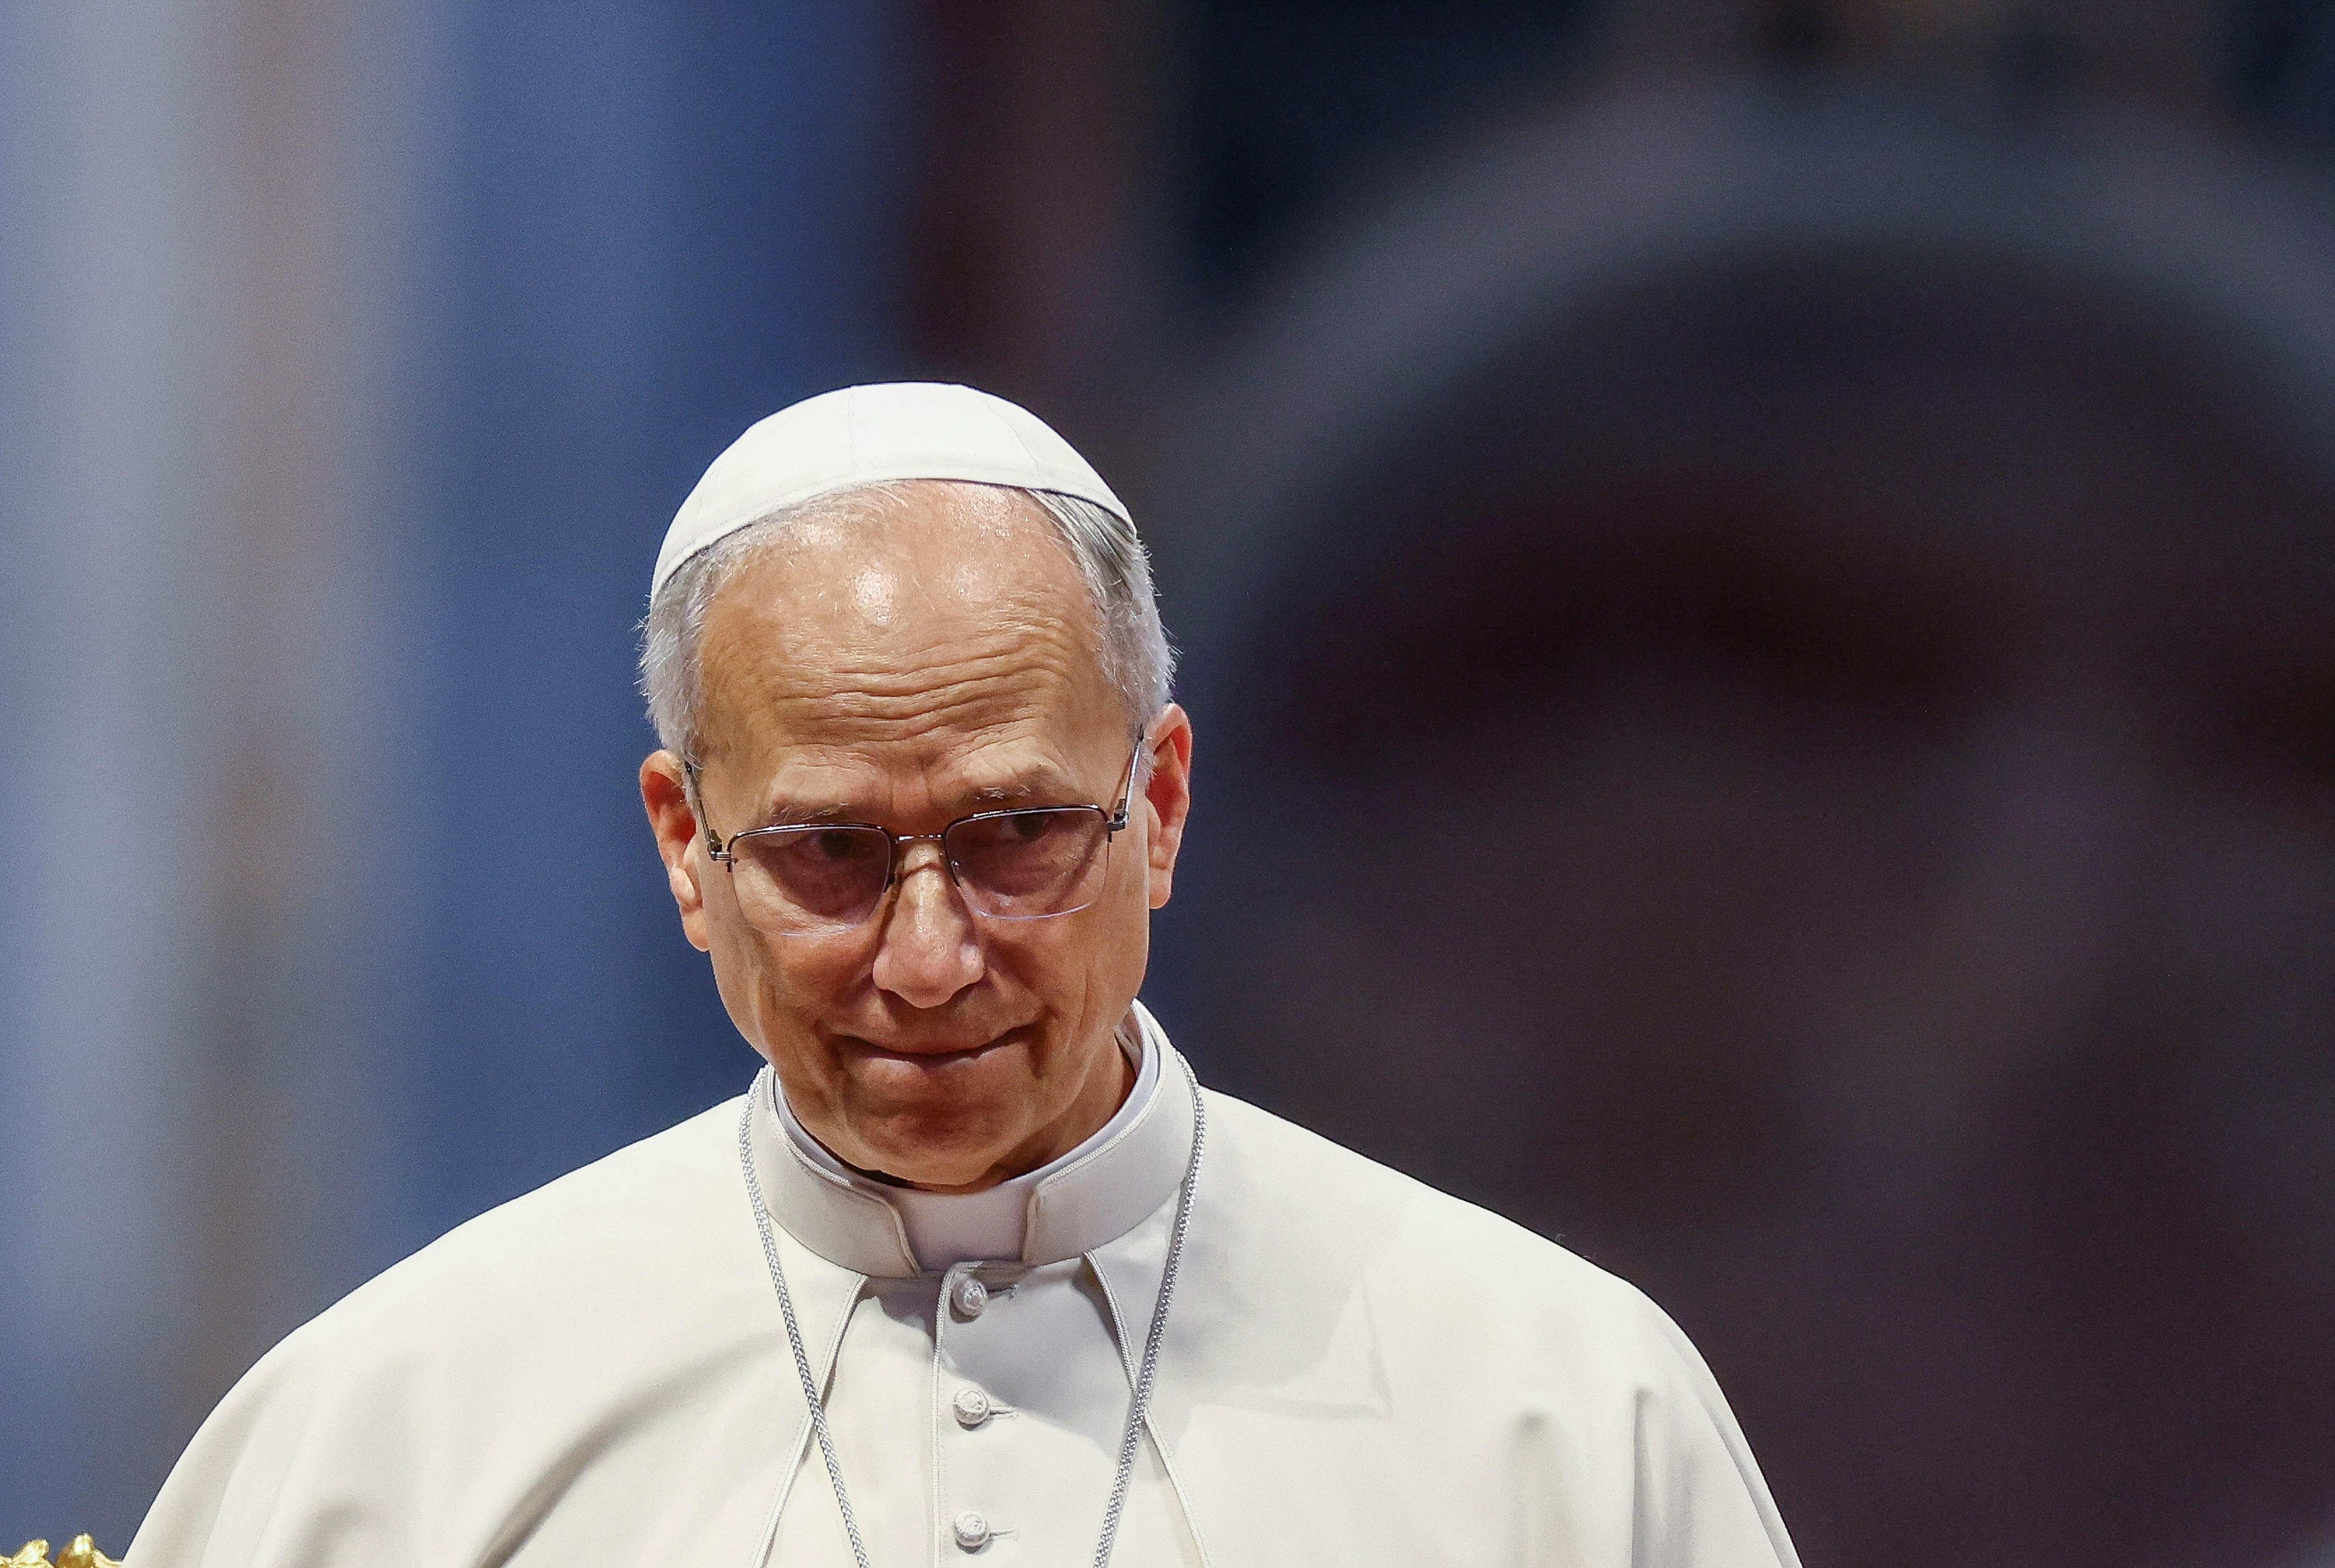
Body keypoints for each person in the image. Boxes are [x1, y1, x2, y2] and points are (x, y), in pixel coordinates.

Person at [128, 383, 1799, 1567]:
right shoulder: (397, 1425)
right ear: (681, 846)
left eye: (1015, 835)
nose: (928, 962)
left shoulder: (1556, 1408)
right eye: (828, 855)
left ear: (1157, 803)